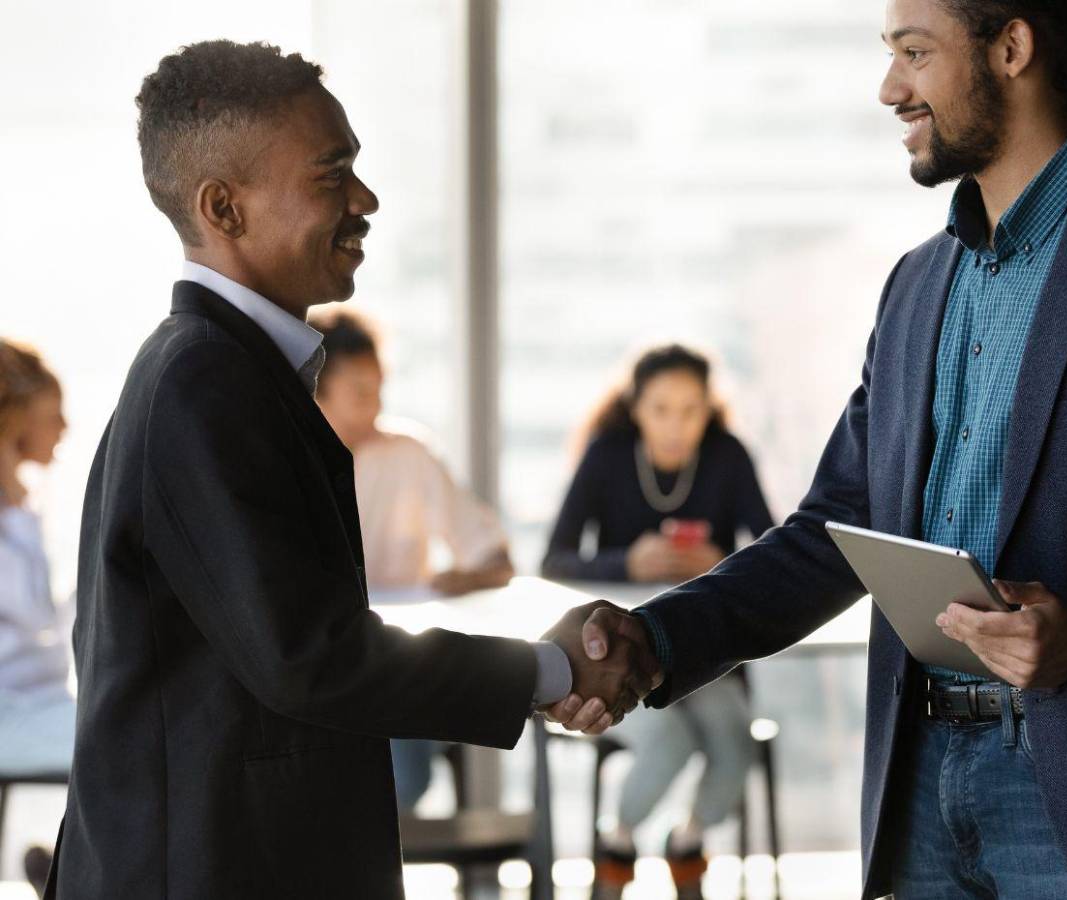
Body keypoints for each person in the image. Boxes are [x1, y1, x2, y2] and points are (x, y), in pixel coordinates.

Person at [550, 2, 1067, 898]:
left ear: (1011, 48)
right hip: (920, 786)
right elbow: (834, 529)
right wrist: (654, 638)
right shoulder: (914, 287)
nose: (890, 88)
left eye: (915, 53)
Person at [45, 40, 656, 900]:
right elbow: (312, 658)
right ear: (224, 207)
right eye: (331, 176)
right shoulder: (204, 383)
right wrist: (548, 671)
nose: (364, 201)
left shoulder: (224, 370)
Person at [542, 344, 773, 899]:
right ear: (635, 408)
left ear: (710, 409)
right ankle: (617, 848)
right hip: (618, 658)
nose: (676, 425)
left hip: (707, 652)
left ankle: (686, 842)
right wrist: (628, 562)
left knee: (733, 745)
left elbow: (775, 550)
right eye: (661, 409)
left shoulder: (727, 455)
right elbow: (555, 560)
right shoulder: (607, 455)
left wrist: (718, 561)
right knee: (669, 741)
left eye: (691, 410)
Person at [310, 308, 514, 811]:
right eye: (360, 391)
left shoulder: (408, 454)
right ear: (317, 388)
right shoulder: (286, 457)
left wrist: (465, 578)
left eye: (379, 388)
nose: (375, 405)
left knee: (403, 775)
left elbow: (497, 558)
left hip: (399, 660)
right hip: (320, 664)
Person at [0, 341, 71, 893]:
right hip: (13, 713)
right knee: (140, 733)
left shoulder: (19, 506)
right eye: (53, 416)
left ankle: (71, 871)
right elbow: (33, 619)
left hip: (34, 703)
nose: (65, 428)